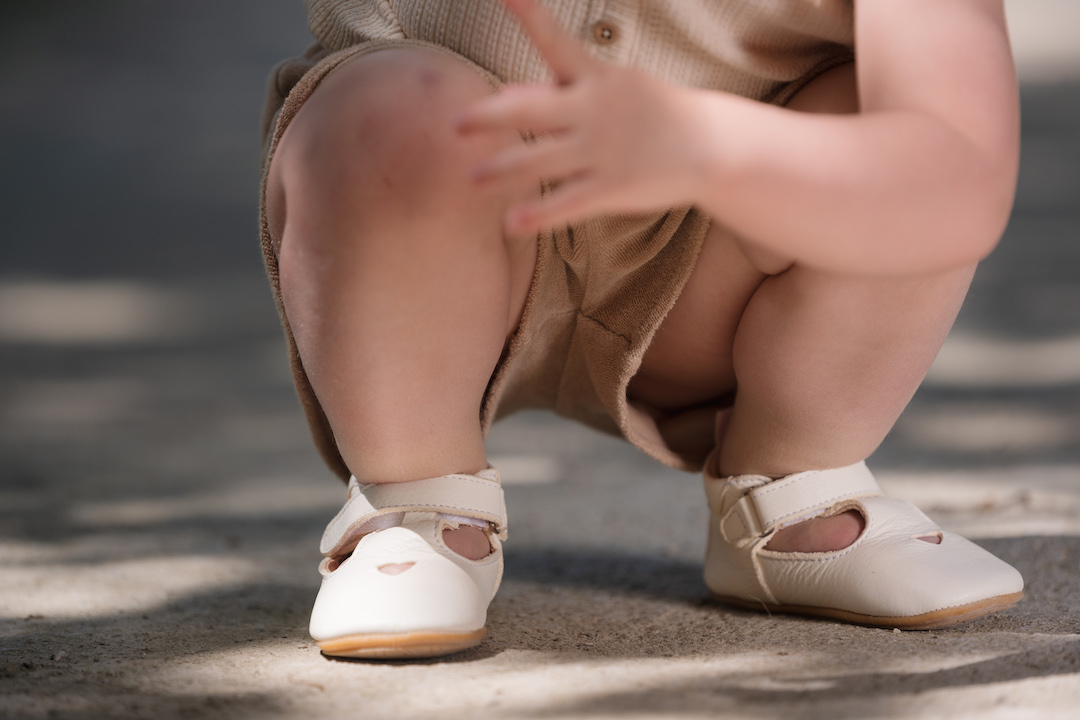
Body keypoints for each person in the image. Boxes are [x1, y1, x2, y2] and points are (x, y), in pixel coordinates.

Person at [259, 0, 1024, 659]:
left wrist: (705, 146)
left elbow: (961, 175)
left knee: (899, 150)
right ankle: (414, 495)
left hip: (724, 256)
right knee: (388, 108)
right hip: (444, 209)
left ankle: (793, 479)